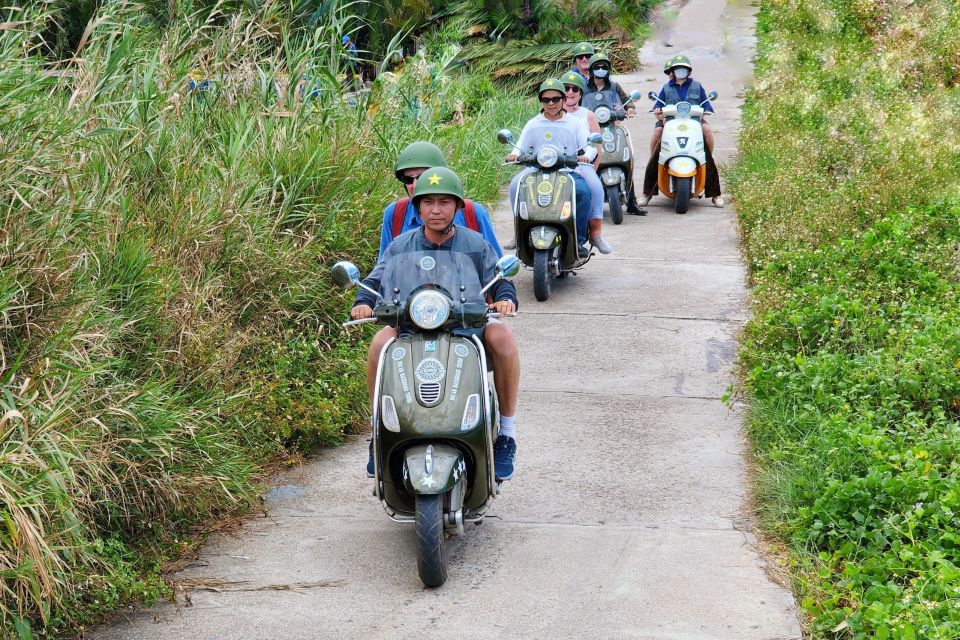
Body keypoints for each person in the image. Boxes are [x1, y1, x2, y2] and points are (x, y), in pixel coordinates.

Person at [352, 167, 521, 481]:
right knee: (378, 343)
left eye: (445, 202)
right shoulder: (402, 245)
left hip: (465, 328)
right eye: (428, 202)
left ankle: (507, 435)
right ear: (418, 207)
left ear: (458, 207)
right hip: (411, 327)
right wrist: (363, 302)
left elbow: (497, 278)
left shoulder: (474, 243)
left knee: (503, 338)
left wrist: (505, 298)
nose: (436, 209)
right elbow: (375, 279)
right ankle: (379, 431)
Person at [506, 78, 596, 257]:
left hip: (567, 171)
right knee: (516, 186)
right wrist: (514, 154)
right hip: (536, 170)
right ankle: (519, 234)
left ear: (563, 99)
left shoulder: (575, 123)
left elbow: (590, 146)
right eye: (546, 100)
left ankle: (577, 240)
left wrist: (586, 156)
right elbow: (520, 145)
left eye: (555, 99)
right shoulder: (533, 123)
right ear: (541, 101)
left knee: (583, 192)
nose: (551, 103)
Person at [380, 141, 502, 259]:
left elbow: (496, 267)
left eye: (423, 177)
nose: (416, 185)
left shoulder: (473, 213)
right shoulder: (395, 214)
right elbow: (385, 267)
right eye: (408, 179)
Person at [642, 54, 723, 206]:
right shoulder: (666, 88)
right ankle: (647, 193)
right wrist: (661, 116)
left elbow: (706, 107)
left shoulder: (697, 86)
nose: (680, 71)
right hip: (670, 124)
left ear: (688, 71)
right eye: (677, 69)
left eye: (683, 69)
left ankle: (715, 194)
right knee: (658, 135)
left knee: (706, 130)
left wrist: (701, 115)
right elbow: (657, 110)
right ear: (672, 71)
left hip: (693, 124)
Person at [583, 54, 645, 215]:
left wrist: (630, 108)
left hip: (613, 126)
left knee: (627, 157)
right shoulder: (583, 88)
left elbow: (627, 101)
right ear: (591, 69)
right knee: (585, 162)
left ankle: (632, 202)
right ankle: (585, 202)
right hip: (590, 129)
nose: (601, 70)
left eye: (604, 67)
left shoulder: (614, 86)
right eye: (597, 67)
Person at [559, 71, 614, 249]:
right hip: (551, 163)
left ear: (581, 93)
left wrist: (591, 170)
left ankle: (595, 234)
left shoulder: (587, 115)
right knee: (521, 183)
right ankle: (521, 229)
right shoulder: (549, 113)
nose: (570, 92)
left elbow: (597, 147)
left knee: (596, 188)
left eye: (575, 89)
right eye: (566, 88)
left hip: (581, 163)